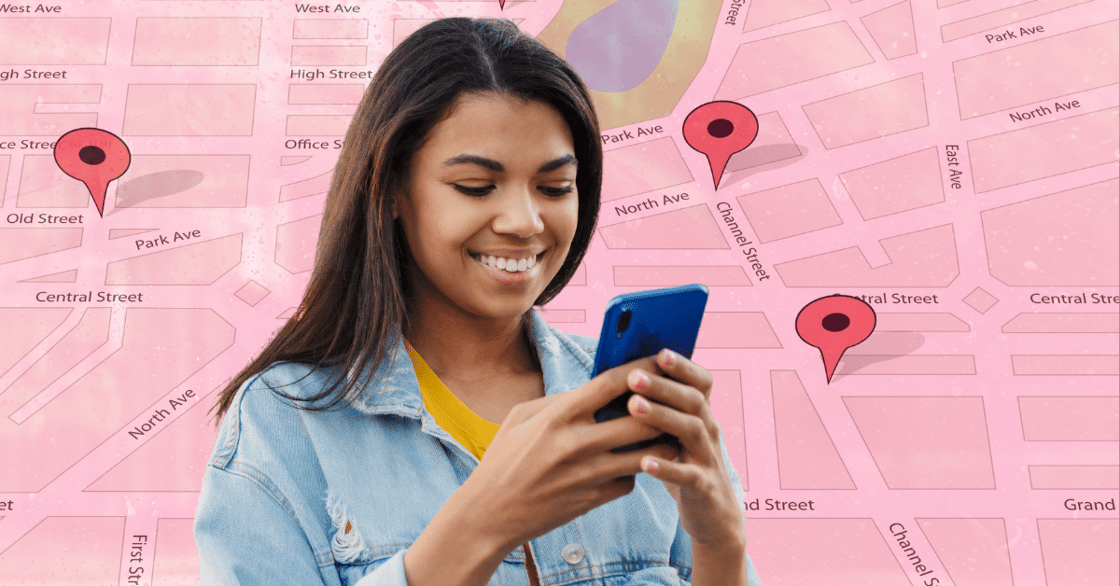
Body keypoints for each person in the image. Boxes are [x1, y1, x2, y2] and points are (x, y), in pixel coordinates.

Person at [194, 17, 763, 586]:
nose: (524, 222)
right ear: (392, 189)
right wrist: (482, 523)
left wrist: (721, 543)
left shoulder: (633, 405)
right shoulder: (283, 421)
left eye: (555, 187)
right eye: (475, 186)